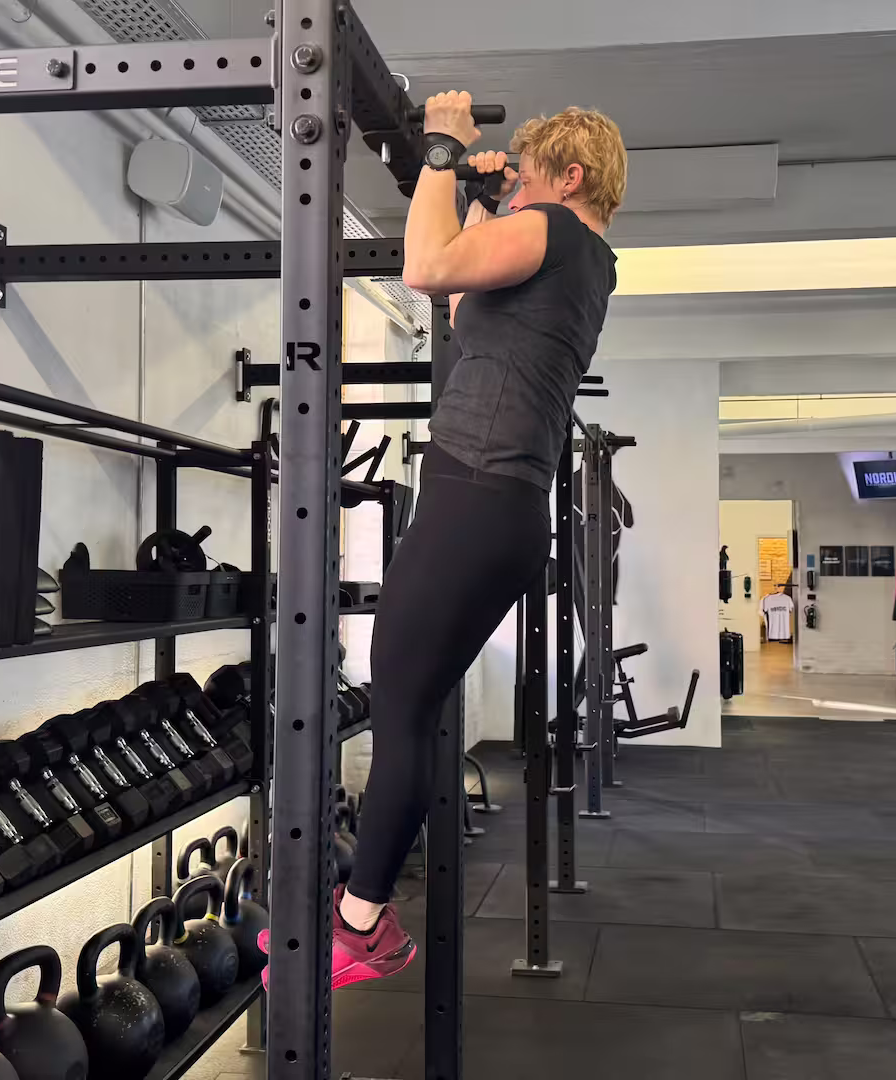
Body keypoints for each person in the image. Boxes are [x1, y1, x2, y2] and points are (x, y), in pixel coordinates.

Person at [266, 92, 626, 990]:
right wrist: (476, 193)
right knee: (409, 709)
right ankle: (365, 917)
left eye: (533, 174)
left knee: (399, 709)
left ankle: (359, 926)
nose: (522, 187)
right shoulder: (577, 259)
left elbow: (423, 270)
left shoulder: (555, 233)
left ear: (568, 177)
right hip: (498, 502)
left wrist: (439, 152)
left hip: (476, 494)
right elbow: (466, 315)